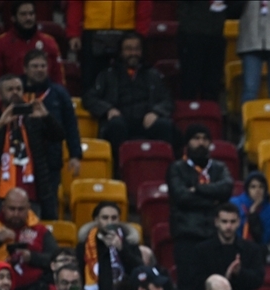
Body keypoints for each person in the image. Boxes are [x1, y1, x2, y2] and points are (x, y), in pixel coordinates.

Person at [0, 76, 63, 219]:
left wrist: (46, 116)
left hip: (31, 194)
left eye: (18, 89)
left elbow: (58, 136)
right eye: (10, 89)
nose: (15, 92)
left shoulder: (34, 119)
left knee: (30, 232)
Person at [82, 32, 176, 163]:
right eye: (128, 49)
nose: (133, 53)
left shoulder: (153, 74)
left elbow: (168, 100)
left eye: (137, 49)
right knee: (115, 126)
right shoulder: (108, 74)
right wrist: (108, 109)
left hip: (146, 121)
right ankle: (117, 169)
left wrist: (156, 112)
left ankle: (163, 167)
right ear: (121, 52)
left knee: (165, 125)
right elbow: (89, 98)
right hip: (121, 121)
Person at [166, 125, 235, 290]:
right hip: (187, 236)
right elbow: (181, 197)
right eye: (196, 138)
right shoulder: (177, 168)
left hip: (213, 237)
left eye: (205, 139)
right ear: (187, 143)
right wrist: (213, 200)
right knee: (186, 289)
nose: (201, 142)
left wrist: (197, 189)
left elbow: (226, 189)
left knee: (214, 288)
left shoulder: (219, 167)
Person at [22, 49, 81, 221]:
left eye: (42, 66)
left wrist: (75, 155)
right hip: (22, 159)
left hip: (51, 159)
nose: (39, 69)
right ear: (25, 69)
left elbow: (71, 125)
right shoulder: (18, 92)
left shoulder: (59, 93)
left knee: (49, 205)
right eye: (34, 66)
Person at [0, 1, 65, 108]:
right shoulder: (0, 43)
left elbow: (59, 79)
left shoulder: (49, 43)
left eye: (31, 14)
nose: (28, 18)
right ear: (13, 18)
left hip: (46, 105)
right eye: (23, 14)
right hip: (12, 105)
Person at [65, 0, 152, 92]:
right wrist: (74, 33)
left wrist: (141, 33)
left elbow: (144, 4)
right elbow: (75, 3)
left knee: (126, 82)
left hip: (127, 31)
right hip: (92, 30)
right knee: (91, 83)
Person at [77, 202, 143, 290]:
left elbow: (139, 271)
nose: (109, 222)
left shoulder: (129, 242)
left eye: (114, 218)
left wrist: (122, 249)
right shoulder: (85, 246)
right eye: (105, 218)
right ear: (96, 220)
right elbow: (79, 273)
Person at [195, 203, 265, 290]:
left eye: (232, 222)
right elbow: (197, 284)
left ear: (239, 222)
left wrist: (239, 272)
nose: (228, 226)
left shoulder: (251, 249)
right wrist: (224, 278)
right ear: (216, 222)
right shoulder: (202, 250)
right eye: (224, 221)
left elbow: (258, 281)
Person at [175, 0, 230, 102]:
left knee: (212, 84)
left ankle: (210, 111)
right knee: (190, 81)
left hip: (216, 34)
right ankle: (188, 110)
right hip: (191, 34)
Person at [230, 172, 270, 265]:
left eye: (261, 187)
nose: (257, 190)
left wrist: (253, 213)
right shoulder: (234, 203)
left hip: (258, 251)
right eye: (253, 187)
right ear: (247, 189)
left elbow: (264, 239)